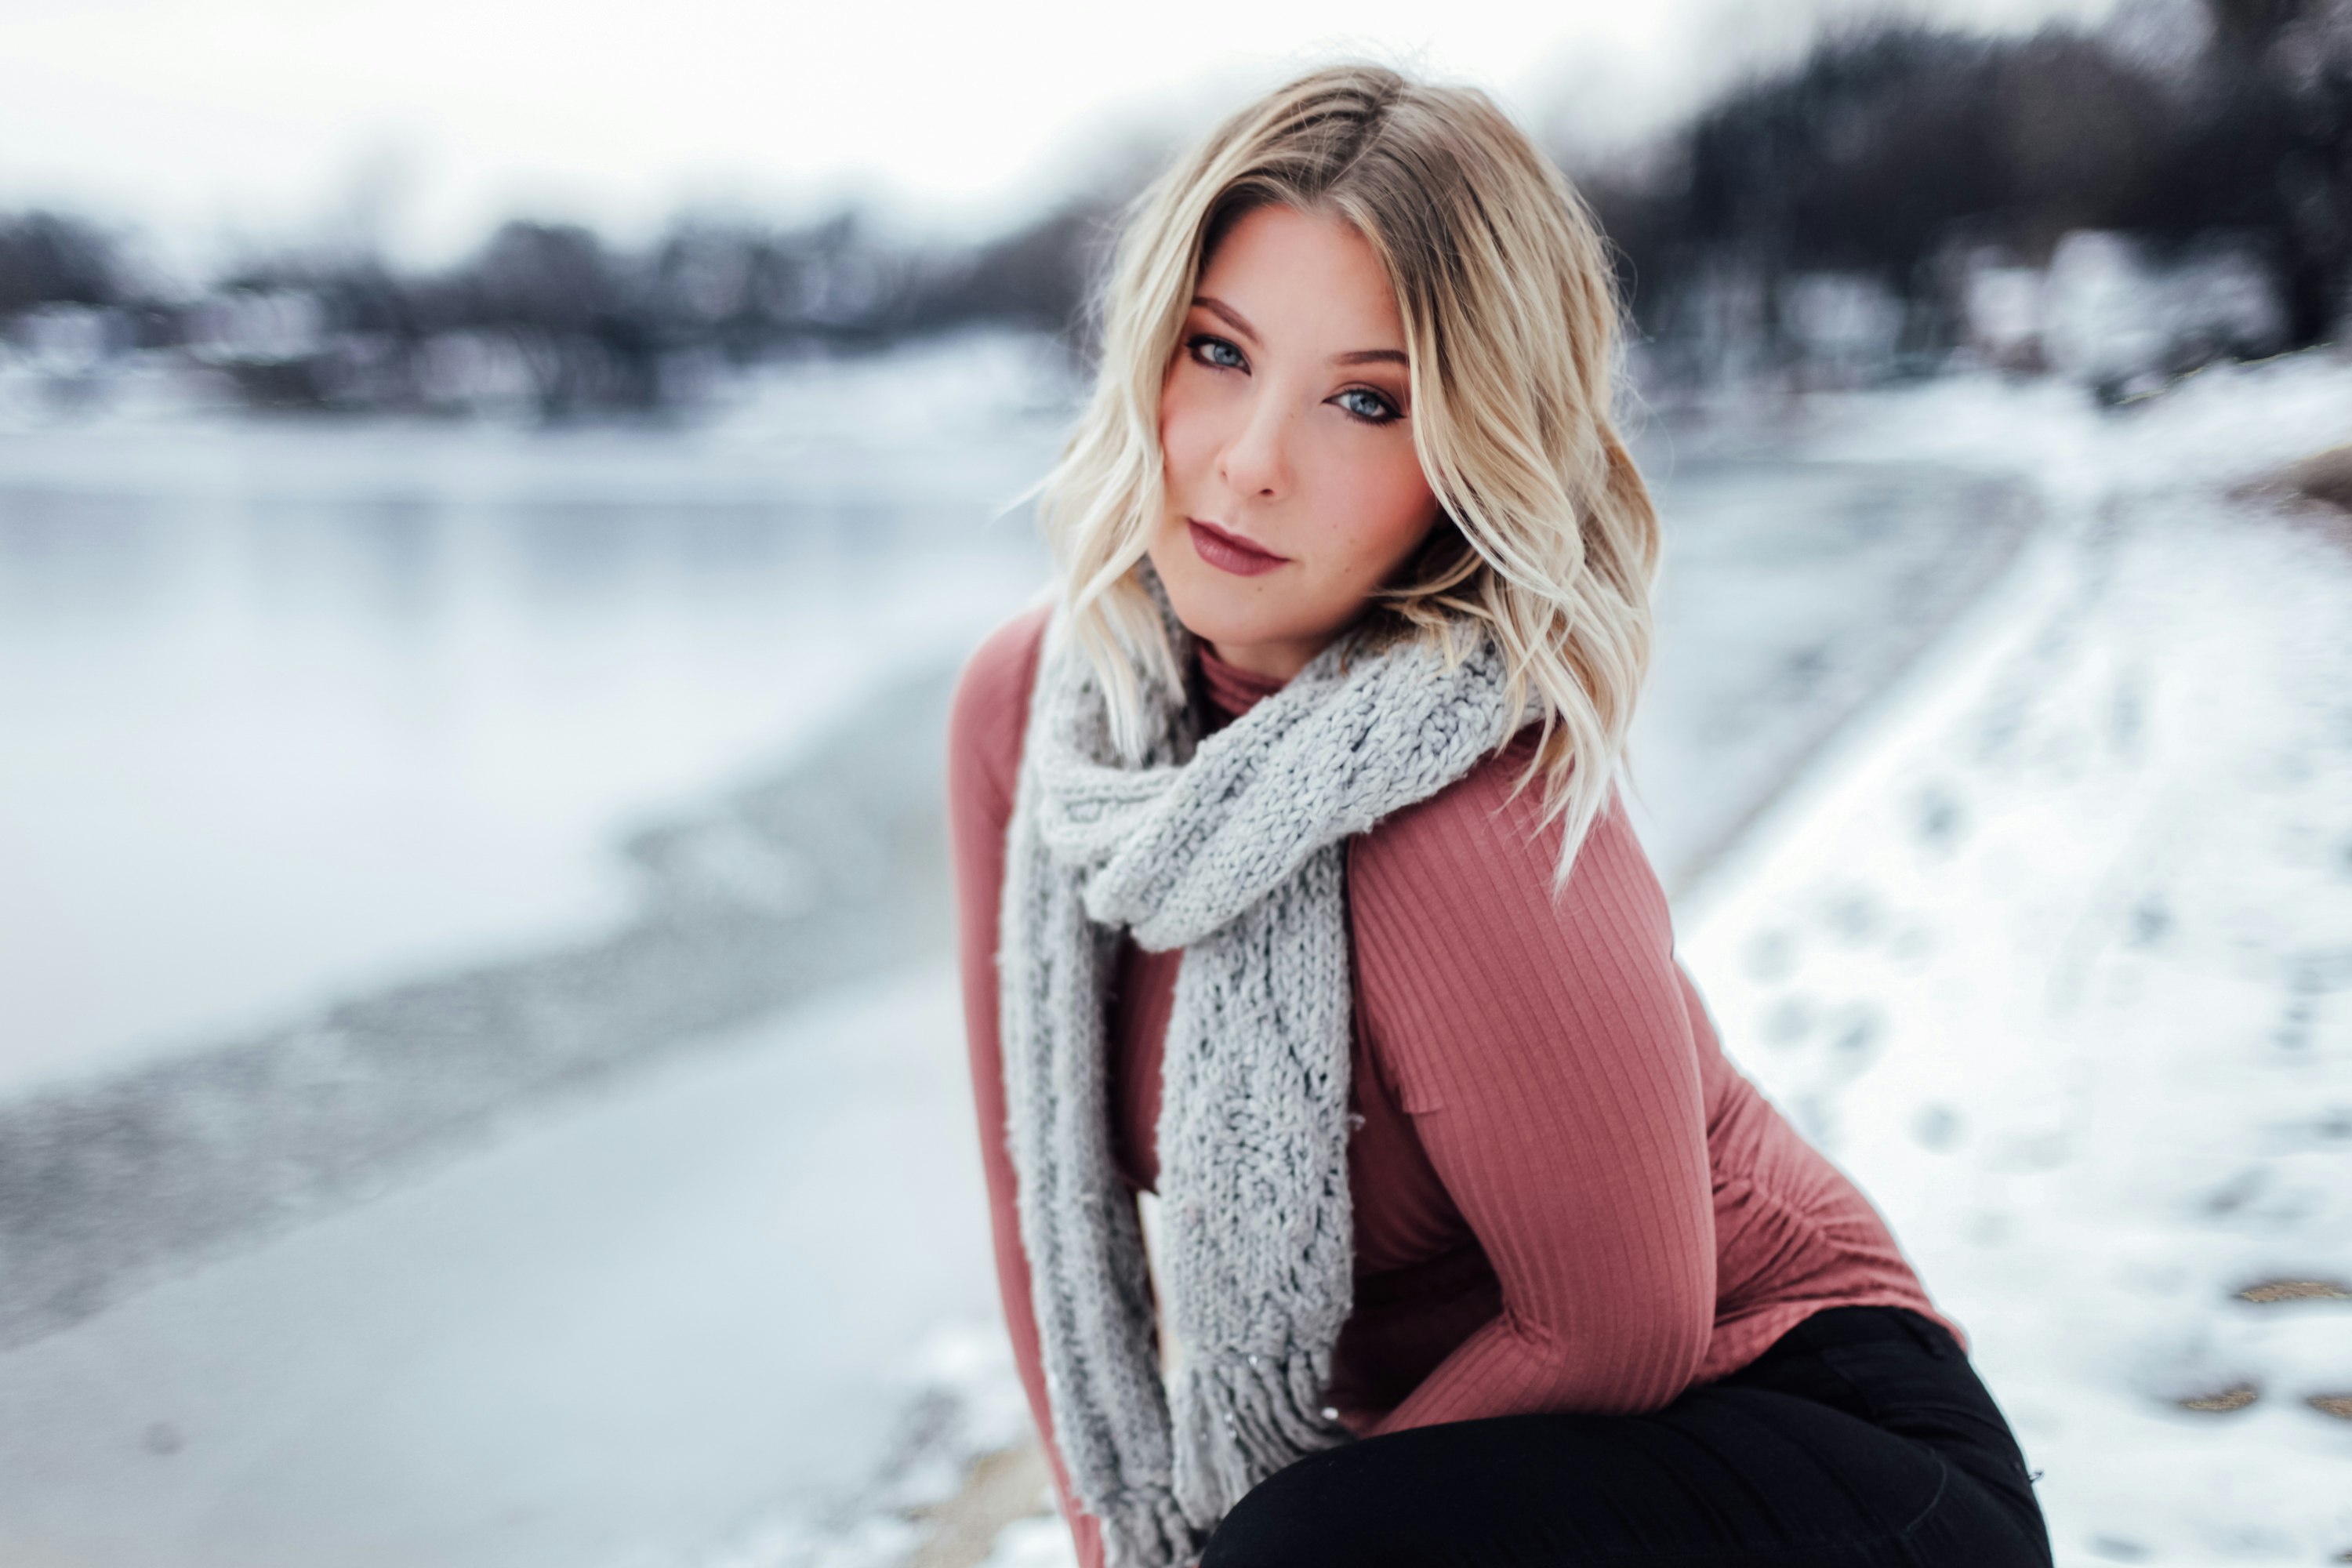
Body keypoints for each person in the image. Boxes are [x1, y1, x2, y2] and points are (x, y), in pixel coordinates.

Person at [946, 62, 2054, 1568]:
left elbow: (1617, 1329)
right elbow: (1043, 1203)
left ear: (1470, 457)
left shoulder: (1467, 795)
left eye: (1364, 400)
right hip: (1460, 1477)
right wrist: (1121, 1539)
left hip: (1810, 1452)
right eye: (1218, 352)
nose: (1250, 459)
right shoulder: (1042, 714)